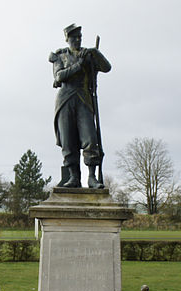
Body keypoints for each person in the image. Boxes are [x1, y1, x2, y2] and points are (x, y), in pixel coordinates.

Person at [50, 23, 111, 188]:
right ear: (67, 39)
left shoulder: (88, 55)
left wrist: (95, 53)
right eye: (74, 38)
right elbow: (59, 77)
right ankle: (74, 177)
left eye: (79, 37)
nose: (77, 40)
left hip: (84, 99)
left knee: (90, 138)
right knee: (68, 141)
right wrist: (79, 65)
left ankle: (92, 177)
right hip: (65, 100)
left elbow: (107, 67)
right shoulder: (60, 56)